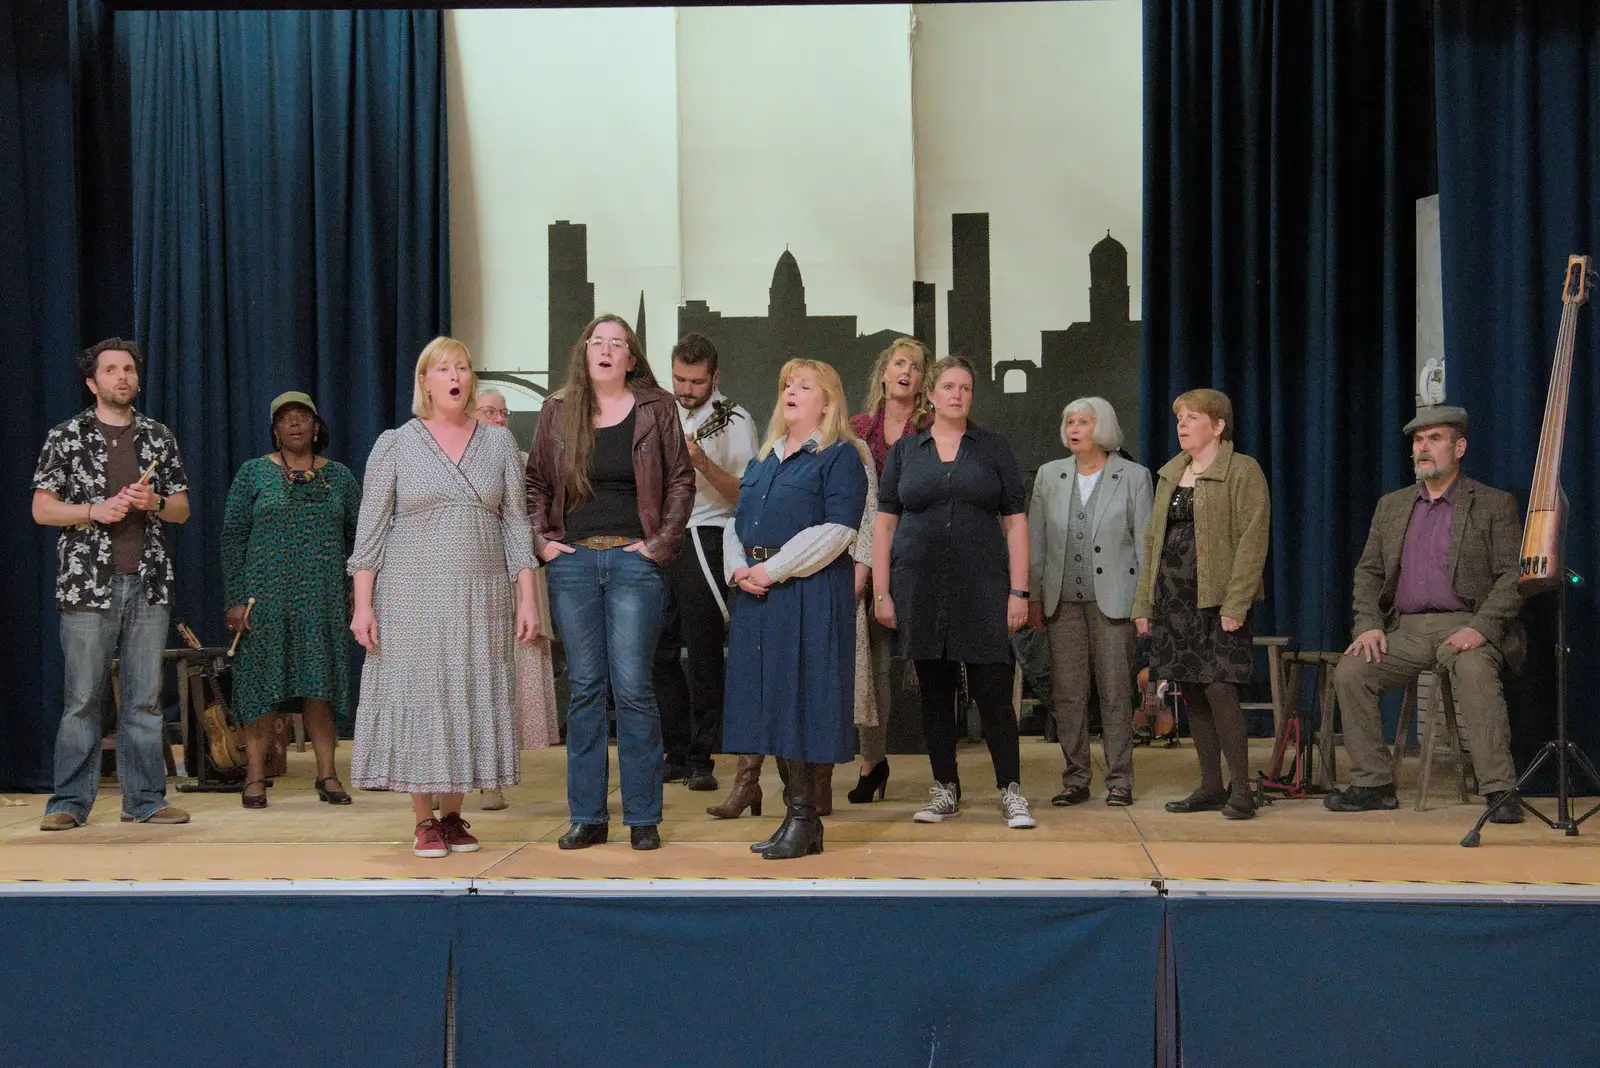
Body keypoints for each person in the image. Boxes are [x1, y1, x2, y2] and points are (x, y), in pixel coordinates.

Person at [348, 337, 539, 858]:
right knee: (422, 697)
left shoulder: (498, 444)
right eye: (444, 369)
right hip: (412, 593)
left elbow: (517, 527)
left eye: (463, 367)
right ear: (425, 382)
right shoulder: (396, 443)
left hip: (480, 595)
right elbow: (370, 533)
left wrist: (527, 598)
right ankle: (423, 819)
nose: (456, 376)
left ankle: (454, 816)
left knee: (467, 693)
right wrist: (362, 605)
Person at [526, 314, 694, 851]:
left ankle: (643, 817)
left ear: (631, 357)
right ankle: (589, 816)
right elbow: (534, 482)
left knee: (634, 687)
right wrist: (544, 544)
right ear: (585, 352)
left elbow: (680, 481)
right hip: (573, 562)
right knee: (585, 690)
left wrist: (658, 547)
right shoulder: (557, 410)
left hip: (633, 562)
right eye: (596, 341)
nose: (604, 350)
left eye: (615, 343)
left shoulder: (657, 408)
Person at [1326, 405, 1524, 823]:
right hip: (1407, 629)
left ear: (1460, 447)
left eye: (1434, 439)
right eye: (1418, 441)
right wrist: (1368, 626)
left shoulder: (1492, 503)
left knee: (1473, 671)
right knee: (1351, 670)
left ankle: (1500, 789)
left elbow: (1513, 577)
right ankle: (1373, 783)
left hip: (1465, 623)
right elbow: (1368, 573)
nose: (1423, 448)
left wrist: (1481, 628)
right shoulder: (1392, 506)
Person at [32, 338, 192, 830]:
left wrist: (154, 504)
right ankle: (67, 803)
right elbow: (41, 508)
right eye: (111, 370)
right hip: (87, 585)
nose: (122, 377)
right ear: (92, 382)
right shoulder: (66, 436)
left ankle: (144, 800)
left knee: (144, 699)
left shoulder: (158, 438)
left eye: (129, 369)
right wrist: (92, 511)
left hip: (147, 584)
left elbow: (182, 509)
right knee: (83, 699)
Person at [873, 355, 1036, 830]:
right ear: (931, 394)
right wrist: (882, 592)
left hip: (983, 588)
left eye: (965, 387)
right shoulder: (906, 452)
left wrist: (1019, 591)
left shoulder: (993, 448)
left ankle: (1011, 791)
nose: (957, 395)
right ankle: (945, 788)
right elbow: (885, 524)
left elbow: (1016, 525)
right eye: (948, 386)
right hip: (919, 587)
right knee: (935, 695)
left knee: (993, 692)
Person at [722, 359, 868, 859]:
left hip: (806, 594)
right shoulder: (765, 459)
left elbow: (837, 532)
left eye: (805, 386)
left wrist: (772, 570)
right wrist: (737, 566)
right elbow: (735, 521)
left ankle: (804, 817)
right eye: (787, 383)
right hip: (759, 595)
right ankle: (796, 818)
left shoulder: (840, 457)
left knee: (800, 702)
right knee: (770, 705)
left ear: (826, 403)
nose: (792, 391)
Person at [1132, 389, 1269, 820]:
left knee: (1219, 688)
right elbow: (1153, 541)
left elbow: (1253, 539)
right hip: (1174, 600)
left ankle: (1242, 790)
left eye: (1192, 417)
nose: (1182, 425)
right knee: (1191, 690)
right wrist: (1144, 603)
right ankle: (1210, 785)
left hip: (1217, 599)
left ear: (1219, 425)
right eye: (1179, 419)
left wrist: (1237, 600)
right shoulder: (1172, 473)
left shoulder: (1242, 471)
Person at [221, 391, 361, 809]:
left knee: (321, 687)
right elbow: (232, 538)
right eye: (286, 418)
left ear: (317, 427)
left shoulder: (339, 477)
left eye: (303, 416)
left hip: (323, 599)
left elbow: (365, 536)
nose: (296, 424)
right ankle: (255, 778)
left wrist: (358, 584)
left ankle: (328, 774)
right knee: (262, 687)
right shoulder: (253, 474)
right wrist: (234, 600)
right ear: (275, 430)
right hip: (264, 600)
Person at [1028, 397, 1153, 807]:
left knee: (1116, 692)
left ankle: (1120, 780)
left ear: (1103, 428)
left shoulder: (1133, 476)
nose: (1074, 428)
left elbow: (1144, 545)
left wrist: (1143, 605)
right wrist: (1033, 596)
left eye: (1083, 421)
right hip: (1062, 601)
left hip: (1115, 602)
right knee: (1068, 694)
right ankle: (1075, 778)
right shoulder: (1049, 475)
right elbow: (1037, 543)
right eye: (1070, 422)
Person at [656, 333, 759, 794]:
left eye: (696, 382)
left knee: (703, 652)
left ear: (715, 378)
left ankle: (703, 756)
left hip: (707, 534)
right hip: (660, 536)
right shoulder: (658, 412)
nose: (686, 389)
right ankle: (673, 752)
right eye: (679, 378)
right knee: (655, 650)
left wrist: (702, 464)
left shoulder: (735, 420)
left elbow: (747, 495)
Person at [844, 337, 933, 803]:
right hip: (869, 556)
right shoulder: (857, 430)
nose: (907, 371)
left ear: (924, 383)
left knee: (934, 663)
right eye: (899, 364)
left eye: (916, 367)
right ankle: (872, 763)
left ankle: (945, 773)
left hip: (924, 558)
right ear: (883, 374)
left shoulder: (936, 428)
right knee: (873, 672)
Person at [474, 389, 559, 811]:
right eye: (489, 411)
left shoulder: (521, 462)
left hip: (514, 581)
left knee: (498, 686)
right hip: (463, 584)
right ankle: (437, 777)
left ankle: (492, 781)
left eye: (504, 412)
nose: (500, 419)